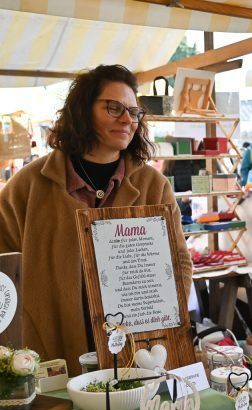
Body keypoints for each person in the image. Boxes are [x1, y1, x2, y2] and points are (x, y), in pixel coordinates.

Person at [0, 64, 192, 374]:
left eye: (133, 111)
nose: (127, 119)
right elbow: (4, 276)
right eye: (113, 108)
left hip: (138, 354)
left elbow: (180, 263)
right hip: (52, 356)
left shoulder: (153, 186)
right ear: (82, 110)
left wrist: (157, 322)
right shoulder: (27, 187)